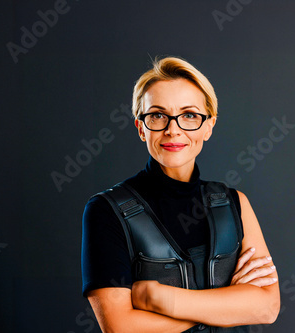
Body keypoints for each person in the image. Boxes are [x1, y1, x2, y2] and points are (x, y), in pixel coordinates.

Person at [81, 56, 280, 332]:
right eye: (158, 115)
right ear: (141, 128)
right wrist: (232, 304)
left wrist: (161, 298)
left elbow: (268, 308)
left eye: (189, 115)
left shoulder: (237, 204)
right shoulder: (105, 211)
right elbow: (120, 327)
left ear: (208, 125)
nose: (172, 129)